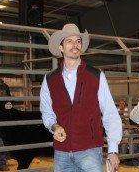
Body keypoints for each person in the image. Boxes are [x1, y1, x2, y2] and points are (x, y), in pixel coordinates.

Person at [40, 23, 122, 172]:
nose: (75, 44)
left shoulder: (96, 76)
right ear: (61, 47)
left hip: (90, 152)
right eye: (69, 41)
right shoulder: (50, 80)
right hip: (62, 153)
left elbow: (110, 113)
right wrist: (54, 126)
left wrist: (113, 149)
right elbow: (46, 112)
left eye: (78, 41)